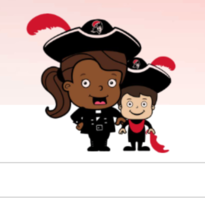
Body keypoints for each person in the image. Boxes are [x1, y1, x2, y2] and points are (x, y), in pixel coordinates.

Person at [36, 17, 140, 151]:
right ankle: (94, 145)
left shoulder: (110, 109)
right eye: (85, 83)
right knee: (93, 137)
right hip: (90, 127)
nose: (101, 88)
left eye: (111, 82)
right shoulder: (83, 110)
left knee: (104, 137)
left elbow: (115, 113)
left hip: (106, 128)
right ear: (68, 86)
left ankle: (102, 145)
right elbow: (76, 116)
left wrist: (120, 118)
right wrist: (79, 123)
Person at [117, 57, 172, 151]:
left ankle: (140, 146)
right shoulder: (128, 121)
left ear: (152, 106)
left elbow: (147, 123)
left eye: (143, 104)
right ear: (120, 106)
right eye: (129, 104)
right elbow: (125, 124)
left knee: (141, 139)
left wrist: (150, 128)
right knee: (132, 139)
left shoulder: (143, 121)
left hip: (141, 132)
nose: (137, 107)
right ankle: (133, 146)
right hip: (131, 131)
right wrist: (123, 128)